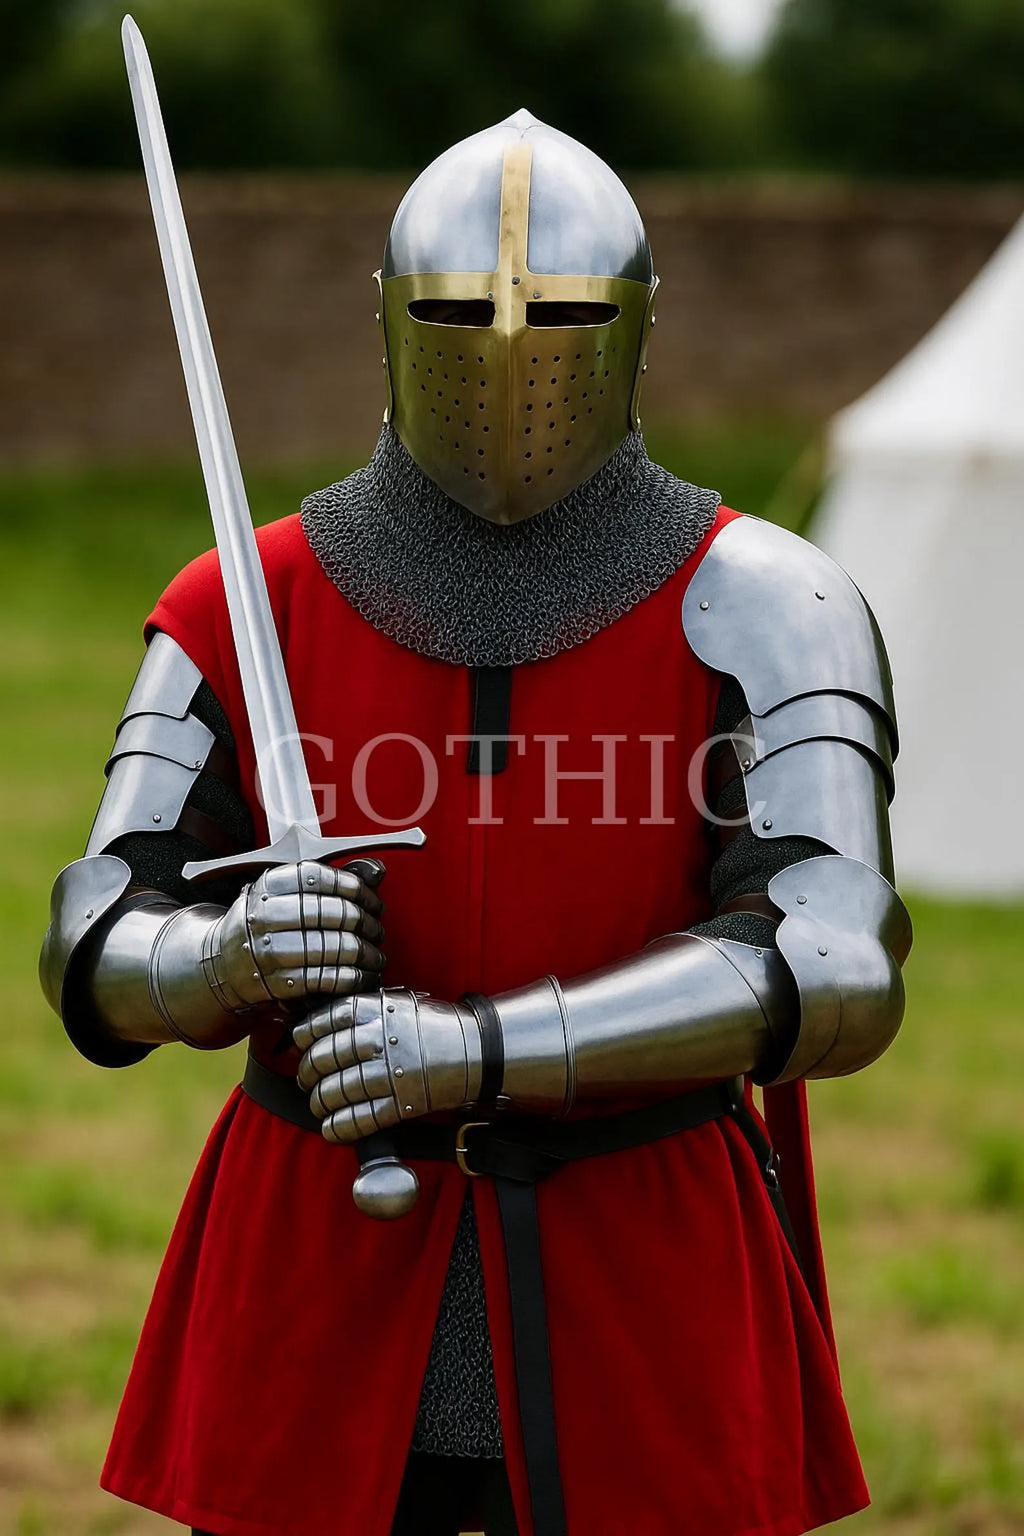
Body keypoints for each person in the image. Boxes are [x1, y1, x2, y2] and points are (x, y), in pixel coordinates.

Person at [40, 109, 911, 1536]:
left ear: (632, 327)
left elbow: (838, 964)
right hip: (320, 1268)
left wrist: (481, 1047)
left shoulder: (771, 603)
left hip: (641, 1267)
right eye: (458, 312)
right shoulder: (239, 606)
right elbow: (92, 936)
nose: (511, 359)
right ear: (392, 326)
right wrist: (221, 955)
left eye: (560, 313)